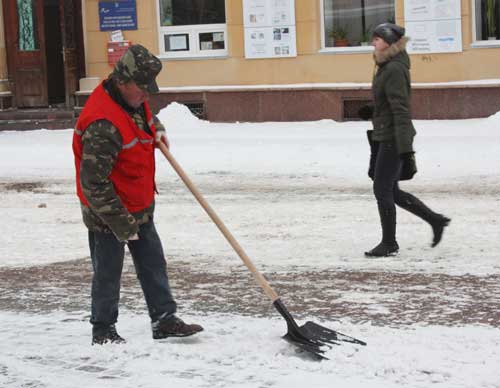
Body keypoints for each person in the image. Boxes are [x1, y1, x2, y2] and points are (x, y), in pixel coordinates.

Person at [72, 44, 203, 344]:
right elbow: (94, 184)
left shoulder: (131, 99)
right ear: (122, 81)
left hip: (139, 202)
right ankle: (103, 329)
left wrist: (155, 126)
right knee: (107, 272)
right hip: (108, 213)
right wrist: (122, 224)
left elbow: (144, 115)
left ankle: (164, 319)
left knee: (153, 262)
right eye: (142, 89)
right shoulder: (101, 124)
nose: (147, 96)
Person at [364, 23, 450, 257]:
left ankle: (389, 242)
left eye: (378, 39)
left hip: (393, 136)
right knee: (391, 190)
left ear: (390, 42)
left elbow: (401, 108)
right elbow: (388, 103)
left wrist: (405, 148)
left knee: (382, 189)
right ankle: (436, 220)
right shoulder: (384, 65)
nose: (374, 43)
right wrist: (371, 110)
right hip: (385, 132)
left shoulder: (393, 68)